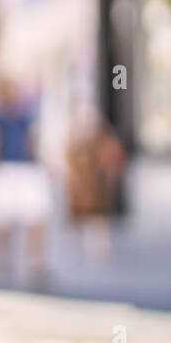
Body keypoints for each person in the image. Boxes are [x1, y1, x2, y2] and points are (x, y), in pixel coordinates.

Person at [0, 77, 51, 289]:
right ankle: (2, 260)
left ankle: (35, 262)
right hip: (5, 169)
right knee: (1, 218)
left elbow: (31, 141)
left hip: (25, 169)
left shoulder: (25, 117)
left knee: (34, 217)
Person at [65, 104, 126, 264]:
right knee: (81, 213)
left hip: (96, 184)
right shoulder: (76, 141)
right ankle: (81, 242)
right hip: (81, 184)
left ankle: (98, 247)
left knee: (98, 216)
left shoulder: (103, 140)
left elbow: (112, 157)